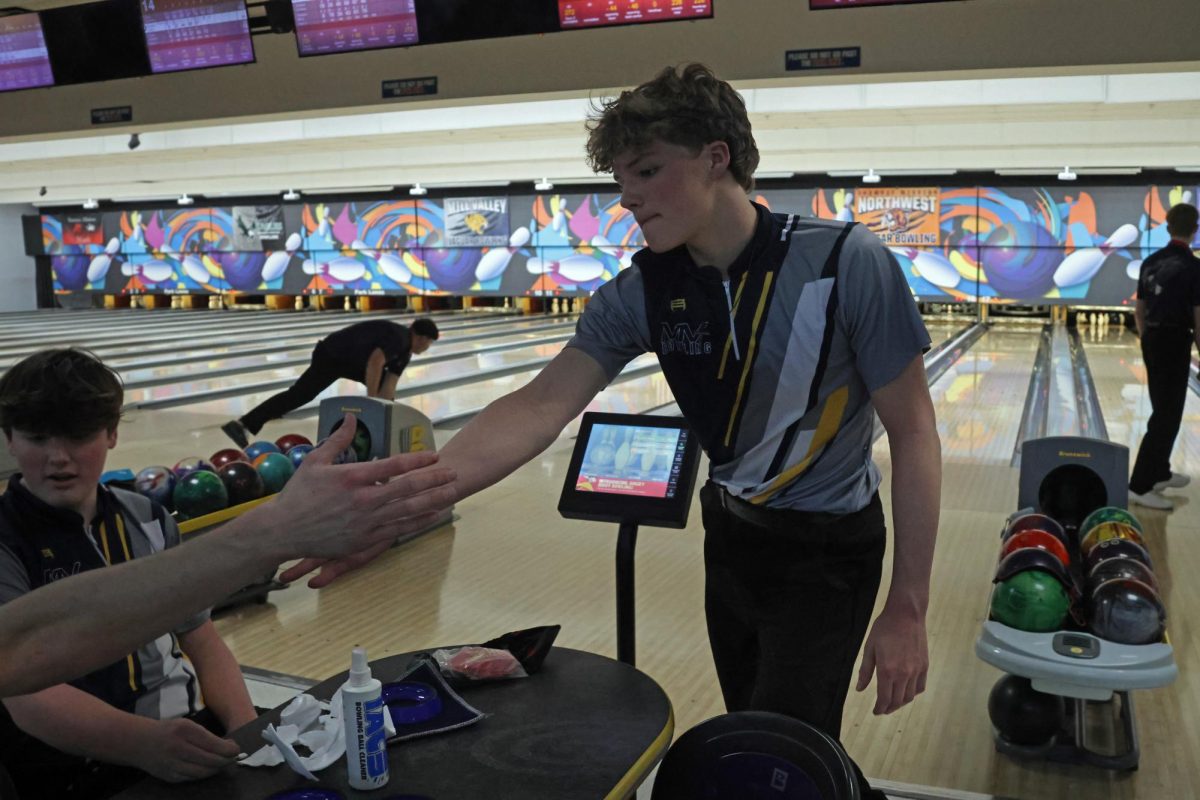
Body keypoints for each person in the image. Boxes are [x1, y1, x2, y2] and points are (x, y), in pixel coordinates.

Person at [282, 64, 940, 798]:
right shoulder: (642, 291)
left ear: (716, 157)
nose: (627, 196)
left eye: (648, 170)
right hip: (730, 535)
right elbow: (539, 406)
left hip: (828, 548)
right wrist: (405, 504)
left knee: (778, 748)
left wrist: (908, 604)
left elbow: (914, 432)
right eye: (621, 178)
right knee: (761, 734)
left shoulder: (847, 264)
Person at [0, 349, 456, 791]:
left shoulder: (147, 517)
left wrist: (249, 732)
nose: (58, 458)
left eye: (78, 436)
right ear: (9, 440)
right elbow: (23, 691)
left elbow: (200, 637)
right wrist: (140, 744)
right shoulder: (6, 537)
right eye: (38, 438)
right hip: (72, 763)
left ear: (112, 433)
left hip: (182, 734)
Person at [222, 317, 439, 448]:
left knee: (383, 393)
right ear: (421, 338)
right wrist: (372, 402)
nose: (427, 347)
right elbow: (375, 363)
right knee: (300, 394)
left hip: (346, 360)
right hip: (332, 354)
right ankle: (243, 425)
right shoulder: (400, 337)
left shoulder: (405, 353)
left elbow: (389, 383)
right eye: (429, 343)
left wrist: (386, 412)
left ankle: (383, 437)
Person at [1129, 202, 1200, 510]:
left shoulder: (1150, 262)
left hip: (1152, 338)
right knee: (1167, 414)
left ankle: (1159, 473)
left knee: (1163, 408)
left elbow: (1140, 309)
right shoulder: (1194, 266)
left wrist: (1147, 339)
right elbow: (1199, 316)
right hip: (1175, 340)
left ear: (1168, 227)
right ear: (1195, 230)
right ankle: (1140, 485)